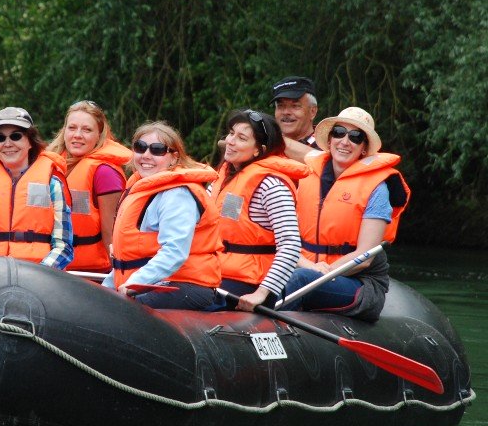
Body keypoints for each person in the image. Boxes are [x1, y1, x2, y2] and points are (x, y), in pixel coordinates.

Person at [281, 107, 410, 321]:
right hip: (308, 268)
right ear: (330, 140)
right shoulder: (306, 176)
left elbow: (364, 258)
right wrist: (311, 267)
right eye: (339, 132)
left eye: (355, 137)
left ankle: (277, 330)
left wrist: (320, 272)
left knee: (299, 279)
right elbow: (288, 242)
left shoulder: (377, 189)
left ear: (364, 149)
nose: (345, 141)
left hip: (358, 283)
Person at [102, 121, 222, 310]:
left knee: (118, 310)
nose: (146, 155)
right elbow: (127, 260)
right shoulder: (139, 188)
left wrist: (133, 284)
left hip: (184, 284)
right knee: (103, 304)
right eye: (140, 148)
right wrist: (106, 290)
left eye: (157, 150)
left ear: (174, 158)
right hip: (150, 282)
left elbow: (175, 251)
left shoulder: (177, 194)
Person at [212, 110, 306, 312]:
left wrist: (261, 294)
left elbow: (290, 246)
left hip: (251, 282)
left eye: (241, 138)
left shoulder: (271, 186)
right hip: (215, 271)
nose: (230, 141)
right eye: (231, 133)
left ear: (258, 150)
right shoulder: (223, 178)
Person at [0, 107, 73, 269]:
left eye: (16, 136)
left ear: (30, 141)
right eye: (0, 138)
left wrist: (39, 273)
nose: (7, 144)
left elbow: (63, 246)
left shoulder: (52, 183)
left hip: (40, 275)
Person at [48, 100, 132, 272]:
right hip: (53, 268)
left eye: (87, 130)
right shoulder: (51, 166)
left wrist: (118, 276)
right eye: (72, 128)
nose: (77, 135)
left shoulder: (105, 173)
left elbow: (112, 235)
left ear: (99, 135)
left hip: (92, 274)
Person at [270, 76, 319, 163]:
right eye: (280, 106)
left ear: (312, 112)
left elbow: (324, 162)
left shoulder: (330, 144)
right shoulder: (264, 147)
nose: (286, 112)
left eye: (295, 106)